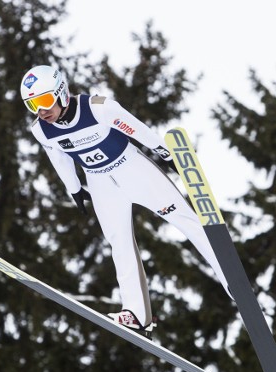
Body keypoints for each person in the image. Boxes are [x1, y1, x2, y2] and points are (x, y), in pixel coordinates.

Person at [20, 65, 231, 339]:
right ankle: (137, 314)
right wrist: (74, 189)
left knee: (185, 220)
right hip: (100, 184)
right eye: (32, 105)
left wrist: (163, 152)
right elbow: (58, 159)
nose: (41, 110)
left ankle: (232, 281)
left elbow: (136, 128)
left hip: (132, 169)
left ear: (62, 92)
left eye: (44, 101)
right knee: (119, 243)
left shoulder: (99, 109)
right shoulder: (42, 131)